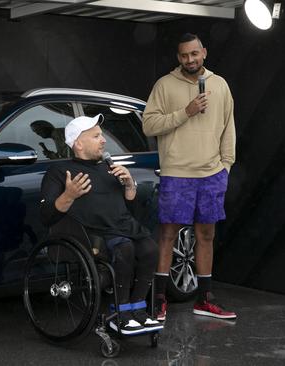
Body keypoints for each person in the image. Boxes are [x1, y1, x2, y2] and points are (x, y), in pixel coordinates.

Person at [40, 114, 162, 335]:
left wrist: (129, 187)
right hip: (90, 234)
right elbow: (46, 216)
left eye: (101, 135)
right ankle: (121, 313)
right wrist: (68, 195)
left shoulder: (110, 169)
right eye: (96, 136)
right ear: (78, 143)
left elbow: (131, 213)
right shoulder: (59, 172)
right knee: (125, 248)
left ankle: (138, 309)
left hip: (122, 228)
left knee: (151, 249)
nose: (104, 140)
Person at [143, 33, 237, 321]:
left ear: (204, 52)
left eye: (194, 54)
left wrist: (226, 166)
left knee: (206, 235)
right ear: (178, 57)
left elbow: (227, 127)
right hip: (177, 174)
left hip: (211, 175)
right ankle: (159, 300)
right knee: (168, 235)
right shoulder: (165, 85)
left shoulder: (220, 85)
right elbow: (149, 125)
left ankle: (204, 299)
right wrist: (186, 112)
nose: (190, 60)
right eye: (184, 55)